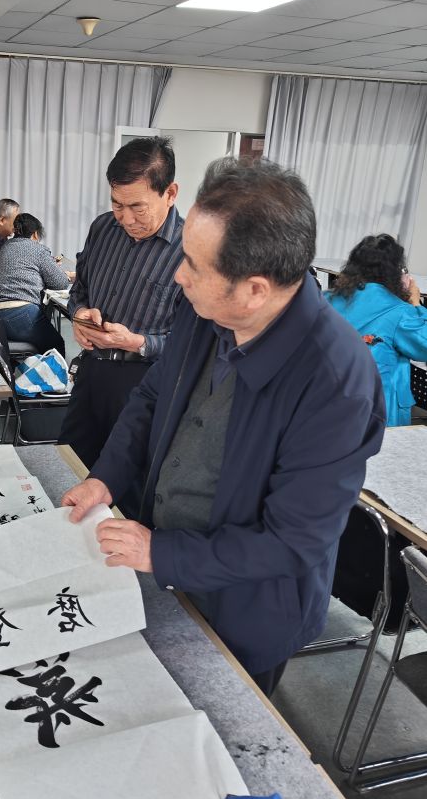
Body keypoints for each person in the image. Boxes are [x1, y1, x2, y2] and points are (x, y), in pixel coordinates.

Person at [62, 157, 385, 696]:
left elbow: (291, 541)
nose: (178, 275)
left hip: (246, 611)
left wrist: (161, 553)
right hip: (161, 568)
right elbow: (152, 396)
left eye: (192, 264)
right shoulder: (206, 310)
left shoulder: (336, 381)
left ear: (254, 289)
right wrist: (106, 478)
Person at [58, 137, 185, 496]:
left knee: (126, 486)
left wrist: (138, 342)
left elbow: (193, 344)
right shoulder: (103, 229)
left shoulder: (191, 250)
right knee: (69, 466)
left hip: (144, 385)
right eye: (117, 204)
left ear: (170, 193)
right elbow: (79, 289)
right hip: (92, 371)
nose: (126, 218)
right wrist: (79, 314)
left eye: (138, 207)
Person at [326, 234, 427, 426]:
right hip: (377, 413)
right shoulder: (399, 312)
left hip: (327, 404)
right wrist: (416, 303)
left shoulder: (325, 300)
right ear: (396, 273)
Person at [0, 212, 71, 355]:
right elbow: (60, 283)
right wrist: (62, 273)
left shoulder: (6, 247)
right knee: (55, 345)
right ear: (35, 234)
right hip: (19, 315)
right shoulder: (38, 249)